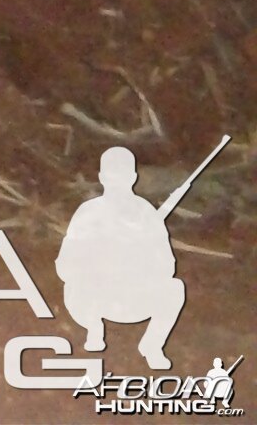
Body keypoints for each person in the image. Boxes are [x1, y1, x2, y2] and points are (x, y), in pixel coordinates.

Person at [57, 145, 188, 371]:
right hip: (95, 298)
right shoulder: (88, 213)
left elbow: (168, 266)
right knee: (75, 287)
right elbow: (65, 265)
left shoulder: (146, 214)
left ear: (133, 178)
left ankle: (152, 345)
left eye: (122, 176)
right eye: (112, 176)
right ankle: (94, 329)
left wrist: (139, 259)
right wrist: (97, 264)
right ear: (101, 178)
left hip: (134, 297)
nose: (117, 182)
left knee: (175, 289)